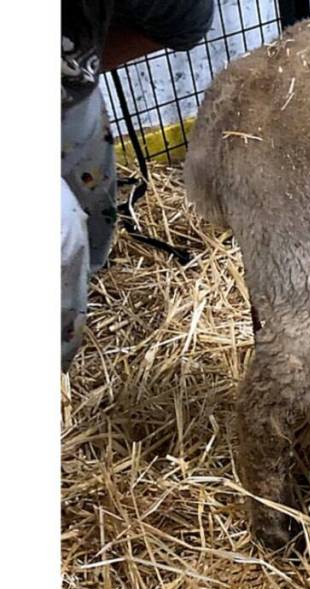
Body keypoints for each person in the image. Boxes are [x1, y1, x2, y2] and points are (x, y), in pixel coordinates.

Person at [61, 0, 214, 372]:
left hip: (73, 107)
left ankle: (89, 283)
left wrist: (82, 72)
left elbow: (188, 21)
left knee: (96, 203)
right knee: (62, 232)